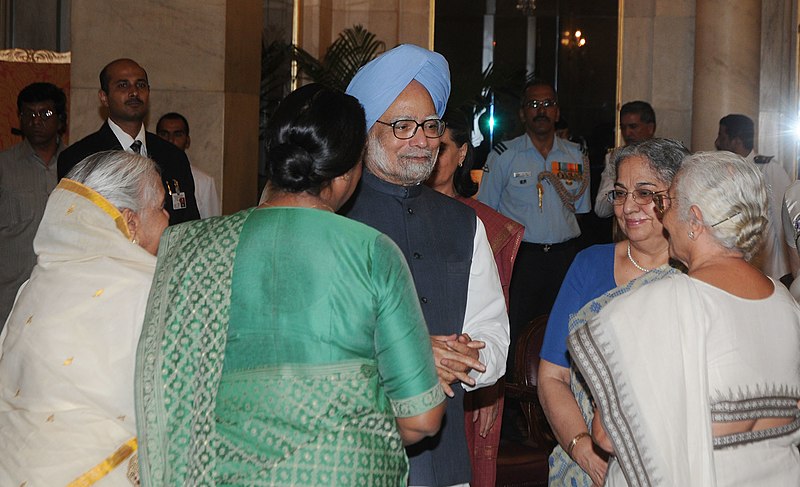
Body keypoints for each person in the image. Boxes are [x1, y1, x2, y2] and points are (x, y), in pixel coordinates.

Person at [135, 83, 446, 486]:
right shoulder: (371, 252)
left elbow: (167, 394)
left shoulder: (192, 247)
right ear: (351, 169)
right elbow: (421, 418)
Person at [570, 151, 800, 486]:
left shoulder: (665, 304)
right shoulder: (787, 305)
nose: (663, 218)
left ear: (694, 220)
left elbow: (608, 436)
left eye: (669, 204)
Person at [343, 44, 509, 487]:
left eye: (430, 125)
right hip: (350, 456)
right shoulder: (331, 218)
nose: (421, 140)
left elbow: (492, 334)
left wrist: (463, 358)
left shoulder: (464, 223)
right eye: (402, 126)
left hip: (445, 459)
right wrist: (413, 356)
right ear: (365, 131)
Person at [0, 150, 168, 485]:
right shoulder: (146, 289)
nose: (168, 218)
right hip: (99, 472)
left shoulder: (36, 284)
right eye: (161, 207)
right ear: (130, 221)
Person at [538, 138, 688, 486]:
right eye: (620, 193)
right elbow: (553, 376)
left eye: (645, 193)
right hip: (589, 458)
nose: (628, 207)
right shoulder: (590, 264)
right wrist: (582, 447)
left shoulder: (695, 274)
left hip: (674, 460)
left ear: (678, 196)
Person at [425, 107, 524, 487]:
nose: (430, 156)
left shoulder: (483, 225)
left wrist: (493, 393)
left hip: (475, 368)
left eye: (442, 147)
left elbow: (495, 318)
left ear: (463, 153)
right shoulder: (391, 217)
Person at [477, 79, 589, 374]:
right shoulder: (504, 156)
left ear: (557, 111)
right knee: (517, 330)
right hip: (522, 260)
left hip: (565, 258)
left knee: (566, 328)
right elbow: (487, 214)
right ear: (522, 113)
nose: (541, 111)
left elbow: (582, 210)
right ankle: (516, 407)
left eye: (548, 104)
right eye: (534, 105)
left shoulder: (575, 155)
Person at [58, 58, 200, 224]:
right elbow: (73, 226)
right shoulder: (79, 158)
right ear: (104, 97)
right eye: (123, 85)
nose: (134, 92)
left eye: (140, 85)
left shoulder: (173, 156)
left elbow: (189, 223)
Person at [0, 82, 68, 326]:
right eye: (29, 114)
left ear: (61, 119)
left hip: (61, 295)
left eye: (45, 114)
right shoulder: (4, 166)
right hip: (9, 298)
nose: (36, 120)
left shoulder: (77, 167)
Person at [715, 113, 794, 282]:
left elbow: (784, 220)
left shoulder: (767, 169)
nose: (717, 142)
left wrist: (788, 268)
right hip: (737, 264)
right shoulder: (724, 171)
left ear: (736, 140)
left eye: (722, 136)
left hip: (772, 269)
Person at [594, 101, 656, 218]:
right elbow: (601, 209)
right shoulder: (615, 159)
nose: (627, 133)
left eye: (633, 127)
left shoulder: (665, 157)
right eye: (623, 128)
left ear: (650, 128)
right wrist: (619, 188)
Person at [156, 112, 221, 218]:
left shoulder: (204, 182)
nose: (170, 140)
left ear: (187, 141)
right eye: (164, 134)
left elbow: (211, 224)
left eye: (177, 134)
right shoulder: (149, 176)